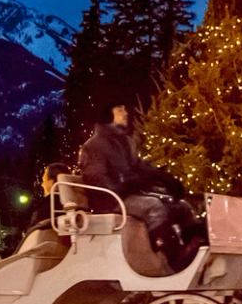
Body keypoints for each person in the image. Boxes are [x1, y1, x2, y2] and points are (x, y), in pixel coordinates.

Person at [77, 105, 200, 266]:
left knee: (181, 206)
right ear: (107, 114)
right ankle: (175, 258)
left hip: (129, 196)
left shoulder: (126, 142)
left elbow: (140, 167)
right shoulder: (93, 146)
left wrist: (164, 178)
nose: (126, 113)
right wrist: (124, 186)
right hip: (109, 201)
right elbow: (96, 178)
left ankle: (198, 248)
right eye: (120, 110)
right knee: (154, 207)